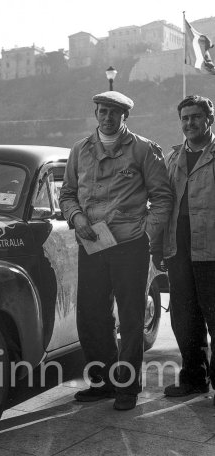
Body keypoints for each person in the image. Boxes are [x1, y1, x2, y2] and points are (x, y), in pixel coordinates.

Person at [59, 91, 173, 410]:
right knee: (92, 316)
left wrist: (145, 232)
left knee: (132, 316)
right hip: (92, 242)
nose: (107, 117)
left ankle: (126, 387)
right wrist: (76, 216)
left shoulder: (144, 149)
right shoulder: (80, 150)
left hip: (130, 246)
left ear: (126, 117)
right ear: (95, 112)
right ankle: (103, 382)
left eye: (114, 112)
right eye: (102, 111)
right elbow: (67, 194)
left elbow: (162, 197)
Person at [151, 95, 215, 401]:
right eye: (185, 118)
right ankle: (194, 377)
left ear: (209, 120)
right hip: (178, 247)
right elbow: (161, 204)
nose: (190, 123)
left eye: (196, 117)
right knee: (183, 315)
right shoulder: (173, 159)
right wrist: (156, 246)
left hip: (211, 248)